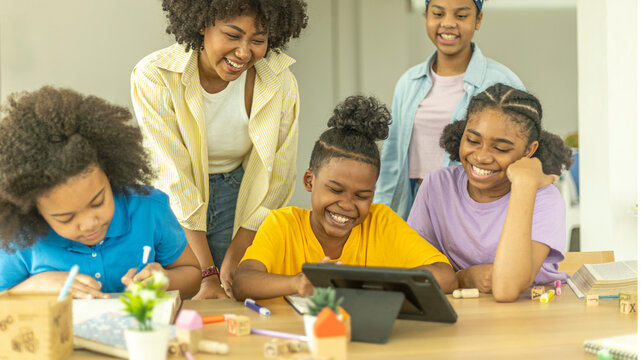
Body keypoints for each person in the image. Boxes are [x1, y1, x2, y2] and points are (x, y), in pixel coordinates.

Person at [130, 0, 309, 299]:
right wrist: (207, 273)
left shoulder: (280, 81)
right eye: (232, 35)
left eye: (258, 40)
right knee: (177, 300)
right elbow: (174, 180)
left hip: (238, 195)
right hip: (172, 204)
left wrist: (235, 256)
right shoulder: (155, 75)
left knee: (236, 298)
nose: (244, 52)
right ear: (202, 24)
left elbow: (278, 176)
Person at [232, 96, 458, 300]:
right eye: (336, 190)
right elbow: (243, 283)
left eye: (362, 196)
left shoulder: (381, 222)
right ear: (310, 181)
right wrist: (297, 283)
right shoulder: (283, 225)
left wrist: (364, 282)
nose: (347, 205)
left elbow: (446, 277)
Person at [0, 87, 201, 299]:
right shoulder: (22, 237)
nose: (89, 224)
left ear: (110, 172)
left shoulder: (149, 208)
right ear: (35, 212)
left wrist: (164, 280)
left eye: (97, 203)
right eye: (66, 218)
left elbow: (193, 276)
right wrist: (35, 287)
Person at [407, 83, 573, 302]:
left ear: (529, 151)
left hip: (531, 314)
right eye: (473, 140)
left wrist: (525, 183)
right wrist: (463, 277)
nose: (481, 157)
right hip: (460, 313)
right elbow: (413, 270)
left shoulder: (545, 199)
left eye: (500, 148)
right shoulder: (437, 185)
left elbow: (506, 288)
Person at [375, 0, 525, 219]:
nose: (448, 24)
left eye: (461, 16)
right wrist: (380, 215)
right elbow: (392, 162)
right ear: (426, 16)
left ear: (478, 20)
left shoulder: (502, 82)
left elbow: (521, 156)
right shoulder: (408, 83)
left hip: (477, 209)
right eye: (438, 13)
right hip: (415, 204)